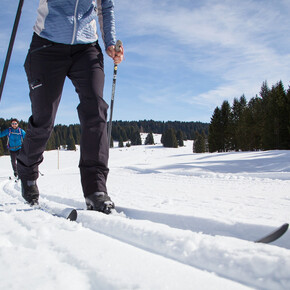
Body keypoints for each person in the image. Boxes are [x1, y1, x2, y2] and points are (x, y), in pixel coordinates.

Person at [17, 0, 124, 212]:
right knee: (44, 118)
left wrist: (110, 42)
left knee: (95, 110)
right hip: (47, 44)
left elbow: (106, 7)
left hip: (87, 48)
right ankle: (28, 174)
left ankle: (96, 189)